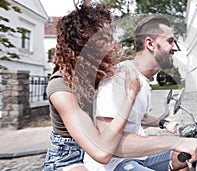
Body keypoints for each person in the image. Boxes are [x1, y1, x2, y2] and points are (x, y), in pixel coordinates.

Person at [84, 15, 197, 171]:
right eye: (170, 41)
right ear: (150, 44)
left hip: (139, 157)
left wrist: (165, 124)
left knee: (184, 160)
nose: (175, 48)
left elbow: (138, 116)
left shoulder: (144, 79)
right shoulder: (120, 78)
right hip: (113, 164)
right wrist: (174, 141)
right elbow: (108, 140)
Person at [43, 1, 141, 171]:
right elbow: (100, 152)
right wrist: (130, 97)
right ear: (83, 44)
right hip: (68, 159)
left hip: (104, 148)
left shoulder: (96, 75)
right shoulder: (60, 88)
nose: (112, 46)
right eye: (104, 39)